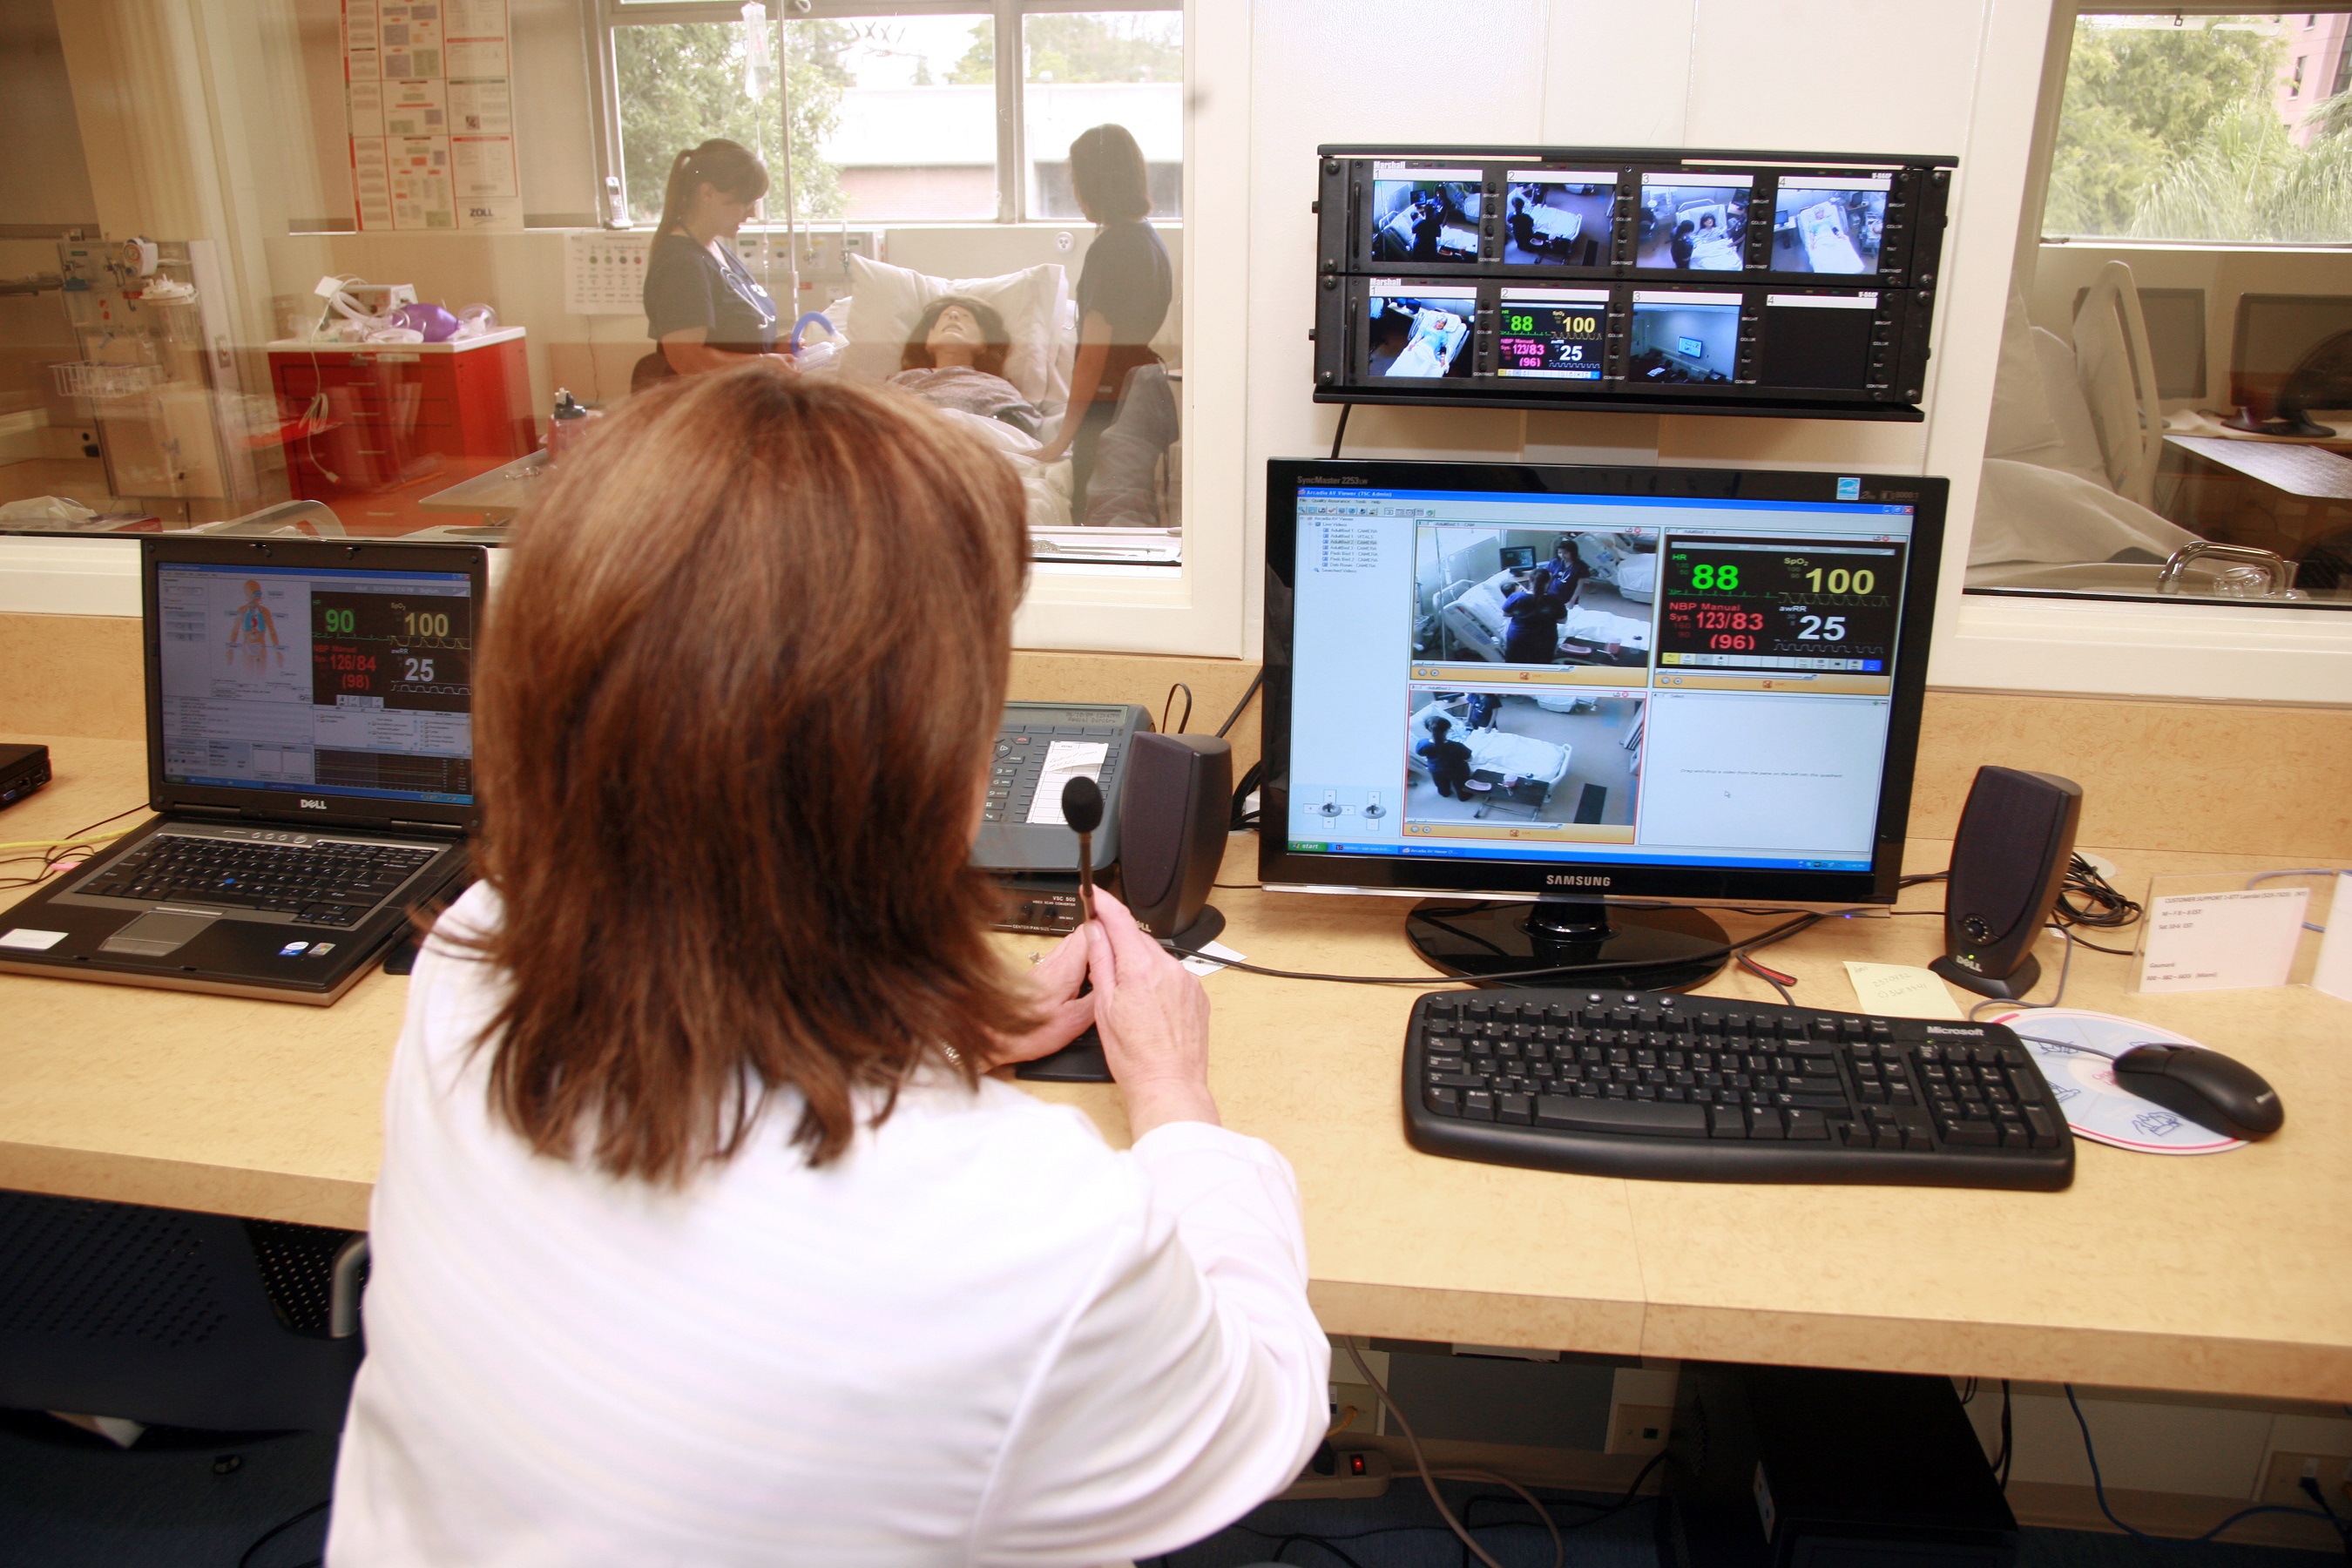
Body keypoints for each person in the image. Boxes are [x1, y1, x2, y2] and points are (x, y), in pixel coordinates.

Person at [327, 367, 1327, 1565]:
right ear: (930, 771)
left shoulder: (473, 959)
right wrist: (1174, 1098)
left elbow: (707, 907)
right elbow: (1263, 1411)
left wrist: (905, 1019)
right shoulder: (1021, 1233)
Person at [1037, 125, 1172, 520]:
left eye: (1079, 183)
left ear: (1097, 184)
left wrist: (1063, 439)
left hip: (1110, 406)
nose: (1077, 196)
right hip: (1142, 400)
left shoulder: (1110, 249)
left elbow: (1093, 357)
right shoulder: (1151, 242)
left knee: (1094, 519)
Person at [637, 139, 783, 390]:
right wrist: (761, 364)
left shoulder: (714, 250)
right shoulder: (682, 265)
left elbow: (736, 336)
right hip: (710, 412)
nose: (751, 214)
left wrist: (777, 349)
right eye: (745, 202)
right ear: (708, 193)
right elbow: (689, 360)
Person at [888, 294, 1045, 438]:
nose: (954, 316)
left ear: (984, 344)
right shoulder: (901, 380)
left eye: (965, 317)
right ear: (927, 341)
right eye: (945, 316)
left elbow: (1020, 426)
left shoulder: (994, 385)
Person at [1503, 565, 1569, 666]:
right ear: (1548, 582)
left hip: (1518, 639)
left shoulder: (1516, 597)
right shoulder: (1555, 600)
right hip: (1545, 641)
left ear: (1530, 580)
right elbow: (1562, 621)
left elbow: (1506, 614)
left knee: (1514, 668)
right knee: (1540, 670)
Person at [1416, 715, 1474, 800]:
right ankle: (1463, 796)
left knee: (1441, 785)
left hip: (1436, 770)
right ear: (1447, 730)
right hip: (1457, 771)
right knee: (1461, 785)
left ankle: (1445, 793)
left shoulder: (1423, 744)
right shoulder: (1457, 746)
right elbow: (1469, 759)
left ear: (1429, 729)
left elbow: (1420, 754)